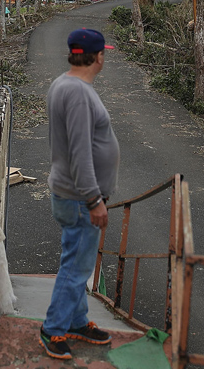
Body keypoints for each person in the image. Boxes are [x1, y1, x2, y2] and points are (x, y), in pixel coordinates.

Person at [39, 28, 120, 360]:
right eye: (105, 54)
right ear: (98, 57)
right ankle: (53, 329)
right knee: (76, 267)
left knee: (76, 262)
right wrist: (94, 200)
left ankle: (75, 320)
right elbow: (80, 152)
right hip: (79, 197)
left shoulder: (64, 84)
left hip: (72, 193)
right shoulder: (78, 93)